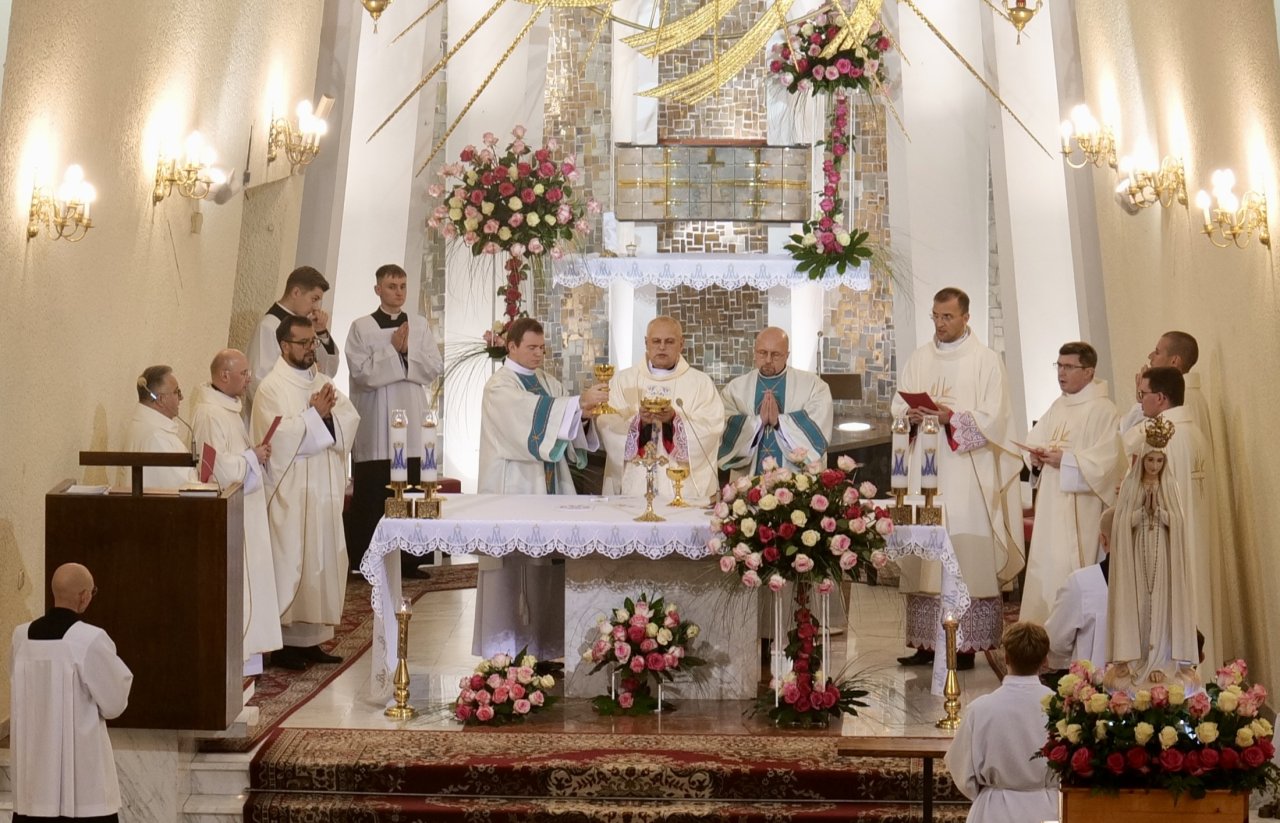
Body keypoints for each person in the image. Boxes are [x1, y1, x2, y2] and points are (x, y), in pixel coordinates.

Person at [891, 287, 1025, 670]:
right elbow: (898, 405)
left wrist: (952, 417)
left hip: (966, 473)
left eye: (947, 317)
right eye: (935, 316)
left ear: (966, 317)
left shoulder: (985, 361)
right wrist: (910, 416)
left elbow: (996, 418)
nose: (940, 323)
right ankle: (926, 644)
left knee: (962, 552)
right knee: (926, 554)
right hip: (925, 471)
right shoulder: (920, 358)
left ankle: (963, 646)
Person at [473, 317, 609, 659]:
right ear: (511, 346)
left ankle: (544, 650)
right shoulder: (499, 386)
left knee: (548, 570)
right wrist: (576, 404)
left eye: (542, 348)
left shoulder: (548, 382)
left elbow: (565, 428)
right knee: (514, 571)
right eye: (531, 347)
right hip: (514, 488)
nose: (538, 354)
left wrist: (583, 415)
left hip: (549, 487)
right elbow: (527, 419)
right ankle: (507, 651)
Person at [251, 315, 361, 671]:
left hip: (323, 488)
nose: (311, 348)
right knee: (293, 562)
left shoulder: (324, 381)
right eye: (303, 343)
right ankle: (284, 646)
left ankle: (312, 640)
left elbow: (348, 421)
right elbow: (276, 439)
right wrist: (315, 415)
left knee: (322, 560)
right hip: (293, 490)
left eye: (313, 341)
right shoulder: (271, 388)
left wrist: (327, 418)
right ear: (285, 346)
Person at [10, 563, 133, 823]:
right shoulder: (89, 639)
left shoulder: (21, 637)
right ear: (84, 596)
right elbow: (114, 703)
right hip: (82, 788)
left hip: (34, 783)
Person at [344, 263, 443, 576]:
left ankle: (410, 561)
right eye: (391, 286)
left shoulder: (419, 325)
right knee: (375, 493)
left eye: (402, 286)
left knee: (412, 489)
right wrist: (394, 351)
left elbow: (433, 367)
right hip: (377, 425)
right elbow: (361, 374)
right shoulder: (361, 327)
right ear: (378, 289)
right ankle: (370, 561)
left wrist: (406, 351)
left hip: (411, 424)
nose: (398, 292)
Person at [190, 349, 283, 674]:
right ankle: (238, 662)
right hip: (230, 512)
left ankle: (250, 659)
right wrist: (251, 457)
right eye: (244, 373)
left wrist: (255, 455)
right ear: (224, 375)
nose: (249, 379)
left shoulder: (229, 409)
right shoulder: (208, 414)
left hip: (247, 507)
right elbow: (213, 469)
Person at [1020, 342, 1125, 624]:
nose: (1061, 373)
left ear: (1089, 371)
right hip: (1050, 507)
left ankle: (1071, 638)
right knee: (1047, 568)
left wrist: (1065, 461)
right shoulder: (1059, 405)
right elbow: (1035, 440)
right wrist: (1036, 458)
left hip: (1081, 509)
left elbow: (1105, 463)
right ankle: (1040, 635)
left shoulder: (1104, 410)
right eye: (1059, 365)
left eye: (1068, 367)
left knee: (1068, 570)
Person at [1121, 365, 1217, 669]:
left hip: (1166, 547)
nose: (1141, 402)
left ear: (1161, 398)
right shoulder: (1195, 433)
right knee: (1200, 604)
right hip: (1197, 541)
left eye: (1143, 395)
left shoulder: (1159, 439)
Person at [1108, 418, 1199, 691]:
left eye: (1159, 461)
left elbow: (1179, 523)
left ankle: (1160, 661)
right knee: (1139, 602)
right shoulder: (1131, 485)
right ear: (1143, 458)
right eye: (1150, 460)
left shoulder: (1170, 485)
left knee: (1160, 604)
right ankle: (1138, 659)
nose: (1154, 466)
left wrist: (1159, 512)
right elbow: (1120, 523)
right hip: (1137, 554)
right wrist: (1140, 513)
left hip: (1164, 556)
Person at [599, 316, 725, 503]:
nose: (662, 347)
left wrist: (674, 419)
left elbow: (712, 428)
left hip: (684, 489)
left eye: (669, 341)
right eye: (656, 341)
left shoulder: (700, 383)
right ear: (646, 343)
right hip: (633, 486)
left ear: (681, 344)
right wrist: (638, 422)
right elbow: (607, 423)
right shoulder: (623, 381)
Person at [944, 621, 1058, 823]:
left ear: (1005, 658)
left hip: (993, 810)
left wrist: (987, 793)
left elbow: (961, 767)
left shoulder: (980, 709)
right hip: (1046, 808)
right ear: (1044, 660)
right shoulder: (1061, 709)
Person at [718, 326, 833, 478]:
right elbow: (722, 426)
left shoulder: (814, 385)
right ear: (754, 352)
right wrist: (758, 422)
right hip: (748, 480)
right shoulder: (735, 389)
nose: (768, 360)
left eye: (775, 354)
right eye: (762, 353)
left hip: (797, 482)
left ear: (787, 355)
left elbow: (819, 425)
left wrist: (779, 423)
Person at [245, 265, 340, 406]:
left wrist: (321, 331)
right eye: (314, 299)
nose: (316, 307)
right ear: (296, 292)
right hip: (280, 410)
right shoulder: (269, 326)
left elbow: (327, 371)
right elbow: (259, 381)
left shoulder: (306, 327)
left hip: (305, 407)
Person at [1044, 507, 1113, 673]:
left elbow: (1055, 640)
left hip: (1093, 684)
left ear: (1103, 540)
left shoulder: (1082, 583)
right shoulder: (1160, 585)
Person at [1119, 331, 1210, 440]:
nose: (1150, 356)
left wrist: (1144, 397)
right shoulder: (1192, 394)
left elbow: (1129, 436)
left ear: (1174, 361)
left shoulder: (1180, 397)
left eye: (1157, 352)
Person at [123, 365, 197, 489]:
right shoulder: (156, 437)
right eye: (177, 392)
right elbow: (182, 487)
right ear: (161, 399)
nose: (181, 398)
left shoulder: (148, 427)